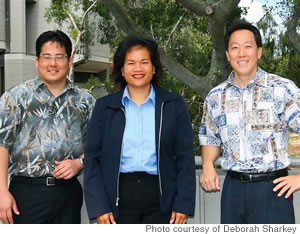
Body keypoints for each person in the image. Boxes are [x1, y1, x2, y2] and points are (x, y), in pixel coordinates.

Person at [84, 36, 196, 224]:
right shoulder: (105, 107)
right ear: (121, 69)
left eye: (144, 62)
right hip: (117, 202)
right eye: (131, 63)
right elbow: (92, 159)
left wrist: (183, 203)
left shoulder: (172, 104)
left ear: (154, 68)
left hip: (163, 201)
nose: (138, 68)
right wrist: (99, 206)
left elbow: (185, 158)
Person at [199, 20, 300, 224]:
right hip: (233, 190)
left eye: (248, 46)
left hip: (274, 188)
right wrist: (208, 165)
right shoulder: (215, 96)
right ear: (227, 55)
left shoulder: (283, 89)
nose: (241, 53)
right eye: (235, 48)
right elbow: (209, 137)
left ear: (259, 52)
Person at [0, 30, 95, 224]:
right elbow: (2, 145)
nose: (53, 63)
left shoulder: (85, 101)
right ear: (37, 61)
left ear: (69, 62)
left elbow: (99, 145)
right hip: (25, 193)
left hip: (68, 193)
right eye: (47, 57)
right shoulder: (16, 97)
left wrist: (79, 163)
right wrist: (2, 192)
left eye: (59, 57)